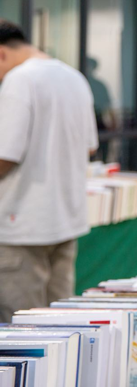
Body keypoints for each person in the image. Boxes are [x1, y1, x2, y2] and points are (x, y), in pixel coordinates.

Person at [0, 21, 99, 321]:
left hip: (23, 227)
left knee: (22, 329)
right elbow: (90, 147)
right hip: (65, 221)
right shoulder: (75, 77)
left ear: (2, 54)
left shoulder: (19, 81)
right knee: (60, 324)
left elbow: (5, 156)